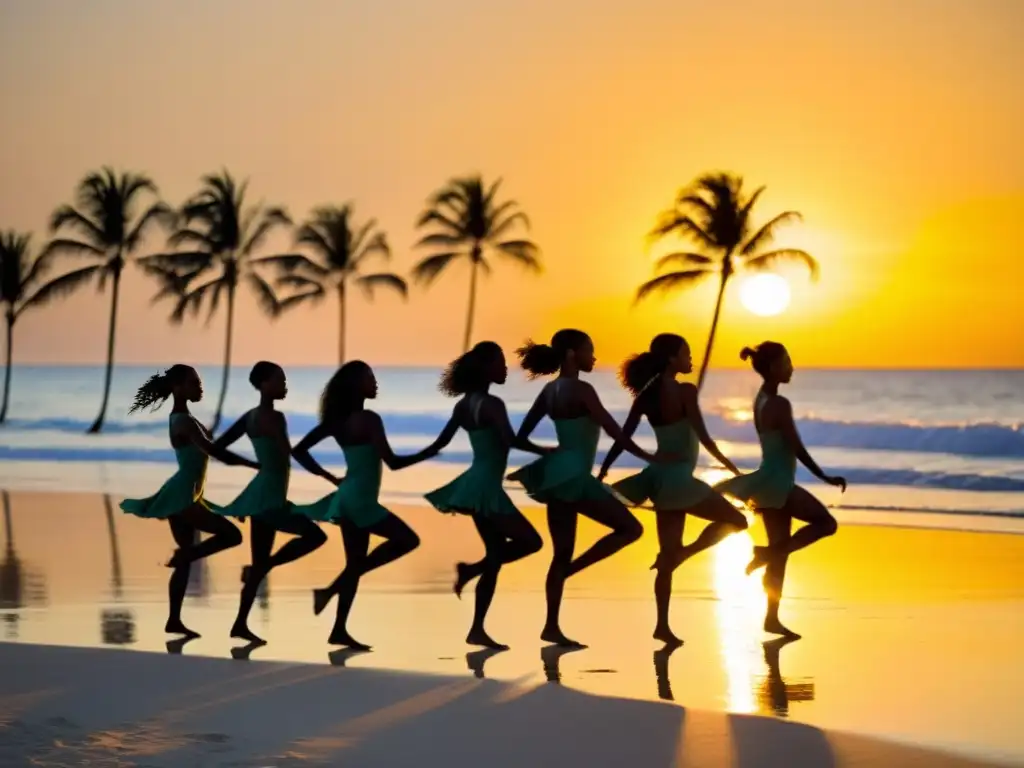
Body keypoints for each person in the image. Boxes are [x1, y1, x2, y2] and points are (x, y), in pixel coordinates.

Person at [508, 328, 669, 647]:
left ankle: (551, 626)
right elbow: (615, 432)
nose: (594, 357)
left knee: (560, 553)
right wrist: (649, 456)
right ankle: (573, 572)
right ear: (571, 354)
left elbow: (519, 437)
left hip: (558, 476)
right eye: (589, 350)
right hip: (577, 479)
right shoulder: (582, 390)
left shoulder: (550, 391)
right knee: (630, 529)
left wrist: (548, 453)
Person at [597, 333, 748, 645]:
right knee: (738, 521)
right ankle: (685, 553)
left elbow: (624, 437)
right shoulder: (685, 391)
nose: (690, 359)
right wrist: (728, 465)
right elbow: (704, 438)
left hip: (659, 480)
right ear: (670, 359)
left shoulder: (646, 394)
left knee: (665, 558)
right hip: (679, 480)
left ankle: (662, 626)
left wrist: (604, 468)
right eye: (685, 353)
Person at [291, 361, 437, 649]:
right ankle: (331, 591)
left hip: (349, 496)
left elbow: (299, 450)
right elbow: (393, 463)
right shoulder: (369, 419)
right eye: (370, 378)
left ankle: (338, 629)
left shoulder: (337, 421)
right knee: (408, 540)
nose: (375, 382)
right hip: (360, 501)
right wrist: (429, 451)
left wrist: (330, 478)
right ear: (356, 385)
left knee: (356, 563)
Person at [715, 342, 845, 638]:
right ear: (773, 367)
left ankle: (771, 618)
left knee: (781, 552)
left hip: (768, 479)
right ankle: (765, 555)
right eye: (787, 362)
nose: (792, 367)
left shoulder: (761, 399)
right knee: (826, 524)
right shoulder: (779, 404)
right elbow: (796, 447)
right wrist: (823, 476)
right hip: (777, 482)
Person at [422, 341, 547, 649]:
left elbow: (441, 443)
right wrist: (549, 450)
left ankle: (477, 628)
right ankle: (472, 572)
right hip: (487, 489)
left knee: (495, 556)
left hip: (474, 484)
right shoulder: (493, 405)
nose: (505, 369)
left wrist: (406, 458)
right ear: (487, 368)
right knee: (531, 542)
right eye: (501, 363)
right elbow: (511, 440)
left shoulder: (463, 405)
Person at [120, 365, 253, 638]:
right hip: (183, 496)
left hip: (185, 493)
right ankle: (186, 558)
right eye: (194, 383)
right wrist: (252, 463)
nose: (200, 387)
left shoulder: (183, 419)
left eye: (200, 382)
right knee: (231, 535)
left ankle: (174, 621)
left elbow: (207, 446)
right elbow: (213, 451)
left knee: (186, 557)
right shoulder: (183, 421)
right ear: (178, 388)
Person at [213, 361, 328, 644]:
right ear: (264, 385)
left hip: (264, 493)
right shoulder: (275, 418)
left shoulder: (249, 417)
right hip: (270, 498)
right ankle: (258, 576)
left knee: (261, 560)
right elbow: (290, 453)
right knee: (315, 535)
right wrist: (326, 474)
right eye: (279, 380)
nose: (284, 385)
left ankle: (240, 623)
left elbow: (216, 448)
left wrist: (251, 464)